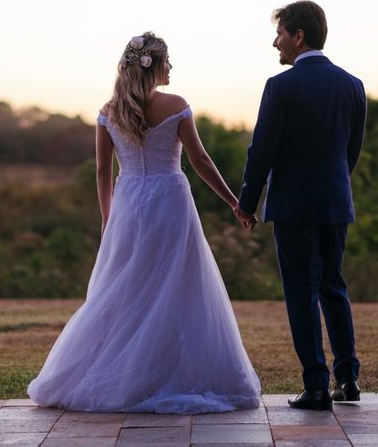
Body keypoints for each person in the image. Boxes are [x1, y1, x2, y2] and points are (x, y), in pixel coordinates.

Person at [27, 32, 261, 414]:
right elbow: (200, 161)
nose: (171, 68)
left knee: (125, 290)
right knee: (178, 289)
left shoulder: (109, 111)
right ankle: (167, 373)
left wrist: (108, 219)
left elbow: (104, 172)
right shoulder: (177, 105)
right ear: (157, 65)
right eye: (169, 61)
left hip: (129, 204)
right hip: (170, 201)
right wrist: (235, 202)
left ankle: (127, 373)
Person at [235, 1, 366, 411]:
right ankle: (348, 378)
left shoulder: (281, 86)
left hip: (292, 205)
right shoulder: (353, 85)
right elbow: (352, 152)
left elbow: (262, 151)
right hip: (335, 203)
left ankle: (315, 386)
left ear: (298, 36)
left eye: (280, 34)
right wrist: (334, 186)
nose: (275, 43)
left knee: (300, 292)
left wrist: (246, 201)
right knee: (333, 286)